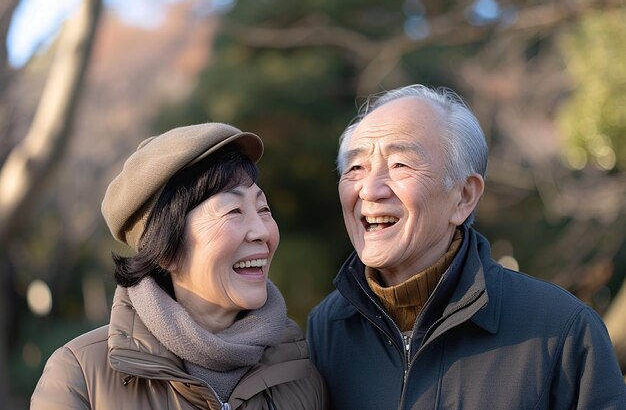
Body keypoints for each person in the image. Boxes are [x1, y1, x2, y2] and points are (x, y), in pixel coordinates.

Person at [307, 84, 626, 410]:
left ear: (464, 196)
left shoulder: (562, 330)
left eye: (400, 164)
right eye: (356, 168)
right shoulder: (328, 328)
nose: (370, 190)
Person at [31, 122, 327, 410]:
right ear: (166, 249)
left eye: (263, 209)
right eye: (234, 210)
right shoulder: (80, 376)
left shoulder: (301, 372)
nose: (262, 231)